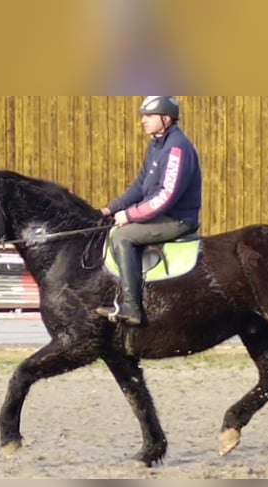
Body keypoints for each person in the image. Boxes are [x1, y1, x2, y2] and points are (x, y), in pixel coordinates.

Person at [96, 96, 203, 326]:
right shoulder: (157, 145)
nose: (143, 121)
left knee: (123, 236)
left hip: (177, 219)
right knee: (113, 230)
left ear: (166, 119)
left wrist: (129, 215)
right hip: (160, 215)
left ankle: (131, 307)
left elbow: (166, 196)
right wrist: (110, 209)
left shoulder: (177, 148)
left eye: (149, 116)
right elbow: (140, 187)